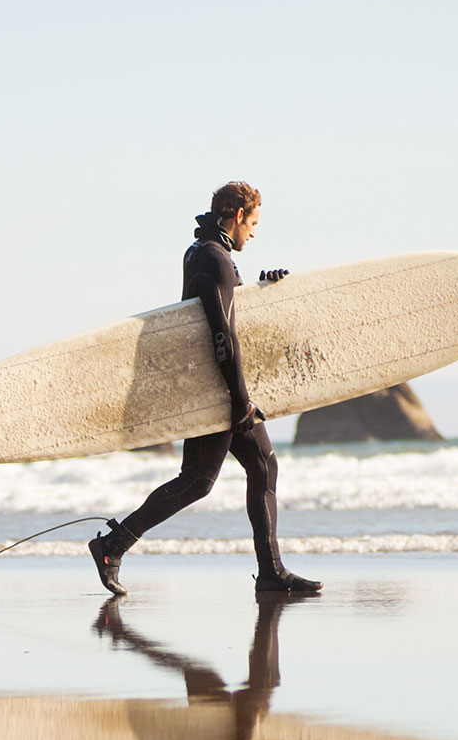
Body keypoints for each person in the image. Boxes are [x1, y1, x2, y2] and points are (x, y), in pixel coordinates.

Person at [87, 180, 321, 597]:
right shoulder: (215, 259)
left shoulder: (201, 253)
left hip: (206, 384)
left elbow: (221, 313)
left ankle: (115, 544)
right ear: (236, 217)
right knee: (231, 473)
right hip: (220, 388)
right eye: (253, 222)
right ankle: (115, 545)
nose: (254, 231)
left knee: (222, 474)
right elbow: (222, 336)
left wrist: (260, 291)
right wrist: (241, 401)